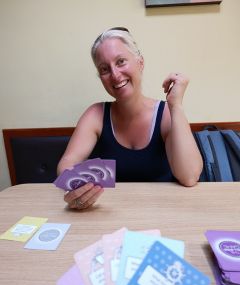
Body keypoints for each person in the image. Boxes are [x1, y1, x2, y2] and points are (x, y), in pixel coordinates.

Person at [57, 27, 203, 210]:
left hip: (164, 213)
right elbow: (66, 164)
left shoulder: (166, 112)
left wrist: (176, 105)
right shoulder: (95, 114)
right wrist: (77, 188)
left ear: (140, 63)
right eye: (104, 69)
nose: (115, 75)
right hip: (110, 218)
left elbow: (189, 177)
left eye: (121, 62)